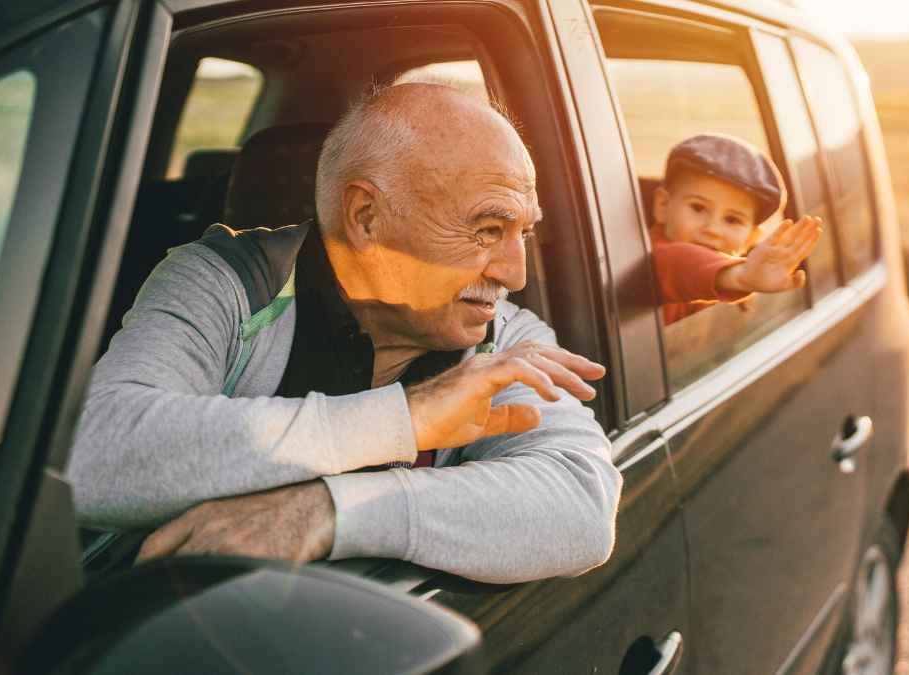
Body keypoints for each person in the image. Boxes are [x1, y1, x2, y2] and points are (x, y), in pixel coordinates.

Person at [65, 83, 622, 584]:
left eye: (523, 232)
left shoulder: (504, 340)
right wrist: (406, 419)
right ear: (366, 218)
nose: (515, 272)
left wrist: (328, 512)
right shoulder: (227, 284)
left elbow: (582, 504)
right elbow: (89, 459)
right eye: (487, 229)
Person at [649, 133, 822, 325]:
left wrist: (742, 286)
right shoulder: (652, 258)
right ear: (663, 205)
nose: (712, 229)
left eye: (732, 220)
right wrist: (741, 277)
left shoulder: (724, 281)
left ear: (751, 238)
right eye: (698, 208)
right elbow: (680, 263)